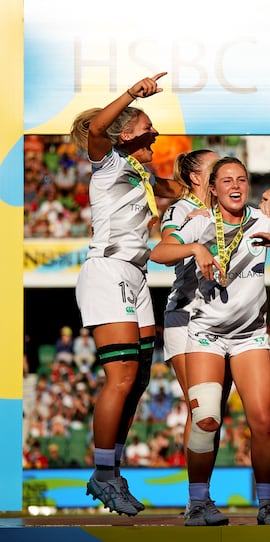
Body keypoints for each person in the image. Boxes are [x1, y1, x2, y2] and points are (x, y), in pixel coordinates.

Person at [150, 157, 270, 526]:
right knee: (206, 420)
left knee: (261, 421)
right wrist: (194, 248)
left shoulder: (262, 217)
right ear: (212, 188)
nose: (235, 185)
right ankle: (197, 503)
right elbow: (159, 252)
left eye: (241, 178)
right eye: (226, 180)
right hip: (206, 336)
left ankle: (264, 506)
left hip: (250, 338)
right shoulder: (200, 222)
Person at [69, 72, 179, 516]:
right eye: (147, 128)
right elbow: (98, 130)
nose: (155, 135)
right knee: (120, 377)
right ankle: (103, 473)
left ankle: (110, 469)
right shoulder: (109, 160)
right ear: (126, 134)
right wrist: (133, 93)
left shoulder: (139, 175)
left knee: (139, 380)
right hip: (108, 269)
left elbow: (186, 189)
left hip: (136, 276)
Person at [159, 149, 230, 521]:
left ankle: (201, 497)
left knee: (214, 415)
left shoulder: (228, 210)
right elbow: (165, 249)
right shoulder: (181, 210)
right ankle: (197, 502)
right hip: (186, 318)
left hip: (223, 322)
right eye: (216, 168)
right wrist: (192, 240)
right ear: (198, 178)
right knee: (201, 411)